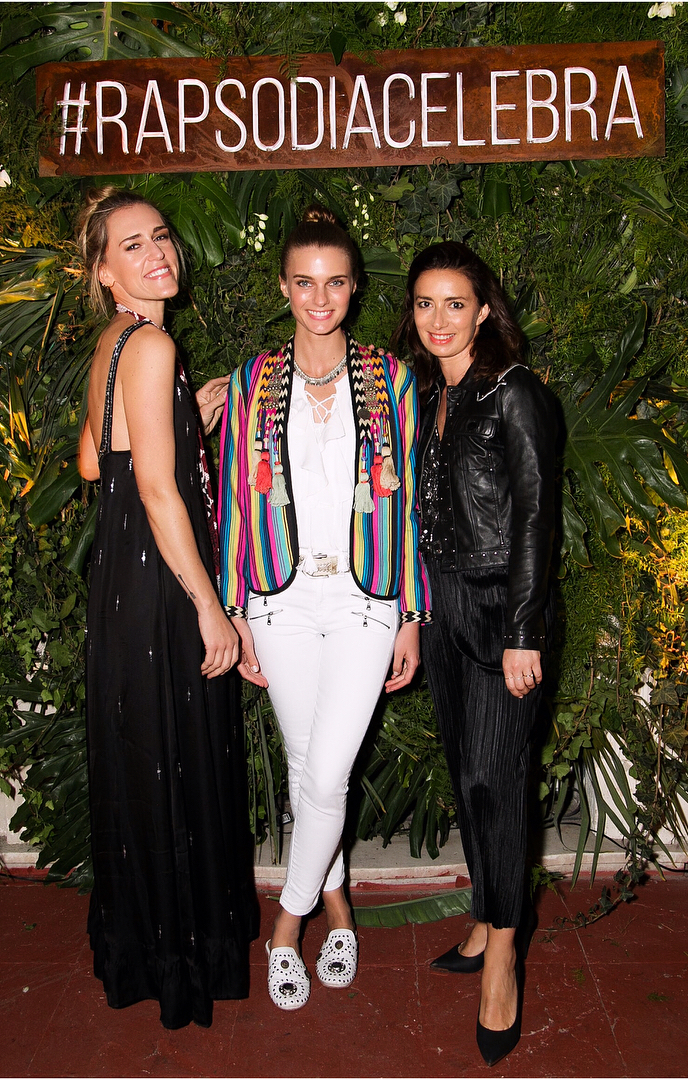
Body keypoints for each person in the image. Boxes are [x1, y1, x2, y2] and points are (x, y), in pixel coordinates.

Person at [217, 205, 431, 1011]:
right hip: (277, 598)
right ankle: (340, 914)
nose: (319, 298)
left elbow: (409, 501)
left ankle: (285, 927)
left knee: (329, 769)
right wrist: (237, 610)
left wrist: (413, 612)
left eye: (335, 283)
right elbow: (235, 499)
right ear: (284, 286)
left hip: (365, 598)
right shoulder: (253, 379)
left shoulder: (389, 378)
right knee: (311, 770)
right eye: (304, 283)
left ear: (354, 288)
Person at [75, 186, 259, 1029]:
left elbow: (94, 462)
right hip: (160, 584)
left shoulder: (113, 344)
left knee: (143, 757)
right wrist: (209, 607)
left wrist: (188, 416)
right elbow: (156, 487)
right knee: (176, 758)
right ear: (105, 273)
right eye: (132, 246)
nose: (156, 254)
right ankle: (186, 960)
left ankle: (145, 951)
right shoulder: (151, 345)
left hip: (119, 578)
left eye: (159, 237)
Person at [393, 241, 556, 1066]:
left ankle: (503, 959)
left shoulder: (513, 391)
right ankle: (486, 919)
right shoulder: (430, 394)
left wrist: (523, 631)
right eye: (425, 303)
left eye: (455, 303)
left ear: (484, 309)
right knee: (468, 776)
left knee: (500, 784)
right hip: (445, 607)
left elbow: (535, 519)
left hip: (501, 611)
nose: (439, 319)